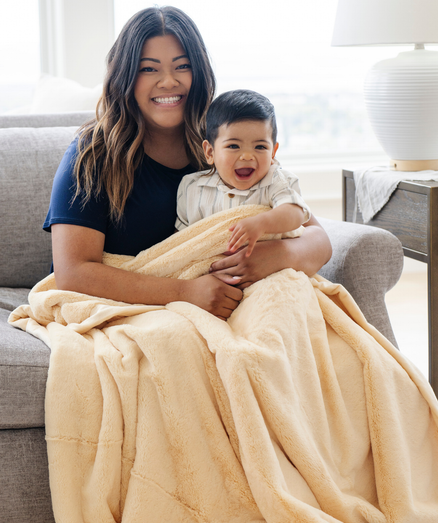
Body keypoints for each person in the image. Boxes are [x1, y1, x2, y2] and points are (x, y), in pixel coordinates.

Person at [43, 6, 332, 321]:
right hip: (140, 309)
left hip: (229, 305)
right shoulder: (92, 154)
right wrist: (185, 293)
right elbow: (72, 273)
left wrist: (275, 256)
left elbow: (318, 241)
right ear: (125, 76)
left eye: (182, 66)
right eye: (149, 69)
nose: (168, 81)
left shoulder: (225, 144)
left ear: (198, 73)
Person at [176, 89, 312, 258]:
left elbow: (295, 213)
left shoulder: (277, 181)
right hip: (208, 270)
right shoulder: (192, 187)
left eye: (260, 147)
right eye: (233, 146)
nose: (247, 156)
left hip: (263, 266)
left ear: (273, 153)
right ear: (210, 152)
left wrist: (262, 223)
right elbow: (179, 240)